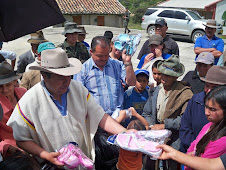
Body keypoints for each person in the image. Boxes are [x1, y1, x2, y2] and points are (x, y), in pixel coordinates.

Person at [7, 48, 128, 166]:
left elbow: (100, 116)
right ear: (44, 75)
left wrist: (125, 133)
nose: (67, 81)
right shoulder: (30, 101)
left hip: (84, 162)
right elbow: (21, 139)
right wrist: (45, 155)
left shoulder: (78, 89)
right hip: (53, 165)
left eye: (69, 76)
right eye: (60, 77)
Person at [142, 55, 193, 170]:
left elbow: (185, 120)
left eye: (168, 75)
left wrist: (165, 126)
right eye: (162, 73)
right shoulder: (156, 90)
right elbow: (147, 112)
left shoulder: (185, 94)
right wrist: (152, 127)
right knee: (149, 162)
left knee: (171, 164)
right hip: (155, 135)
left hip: (175, 137)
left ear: (175, 77)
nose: (163, 77)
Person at [74, 36, 136, 116]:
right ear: (91, 52)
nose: (103, 58)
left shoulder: (117, 65)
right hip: (94, 120)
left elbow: (131, 82)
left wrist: (127, 63)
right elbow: (78, 97)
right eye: (99, 56)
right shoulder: (82, 70)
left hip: (117, 118)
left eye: (106, 55)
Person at [180, 66, 226, 153]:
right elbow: (185, 126)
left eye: (214, 87)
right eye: (207, 86)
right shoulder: (195, 99)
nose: (209, 91)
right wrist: (193, 149)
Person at [185, 86, 226, 170]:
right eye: (206, 106)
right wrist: (189, 155)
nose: (206, 112)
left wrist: (189, 159)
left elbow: (205, 163)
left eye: (212, 109)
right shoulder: (209, 125)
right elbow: (195, 144)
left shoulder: (222, 140)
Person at [0, 61, 27, 159]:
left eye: (8, 85)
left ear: (14, 82)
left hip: (33, 143)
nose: (5, 90)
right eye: (0, 86)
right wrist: (5, 146)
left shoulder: (24, 93)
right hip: (14, 153)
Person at [157, 144, 226, 170]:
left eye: (213, 110)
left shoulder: (223, 142)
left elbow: (212, 165)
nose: (206, 113)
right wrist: (173, 154)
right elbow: (212, 163)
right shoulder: (208, 126)